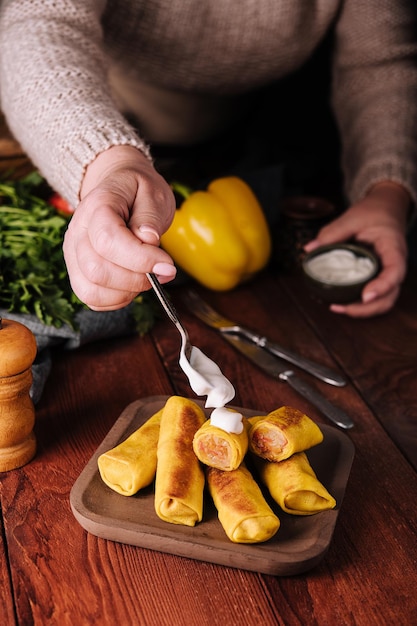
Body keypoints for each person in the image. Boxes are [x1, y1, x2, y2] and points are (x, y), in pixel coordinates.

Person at [0, 0, 415, 318]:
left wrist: (387, 190)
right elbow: (38, 23)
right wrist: (107, 165)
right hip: (99, 123)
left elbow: (379, 60)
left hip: (275, 131)